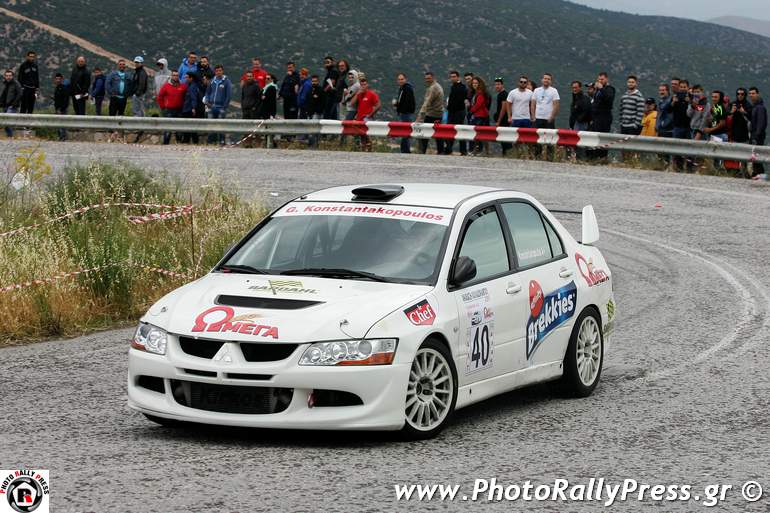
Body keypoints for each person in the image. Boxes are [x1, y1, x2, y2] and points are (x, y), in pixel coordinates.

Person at [530, 73, 560, 160]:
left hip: (548, 119)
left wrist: (552, 116)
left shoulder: (554, 91)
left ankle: (549, 158)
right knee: (537, 139)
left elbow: (556, 105)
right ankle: (537, 157)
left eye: (548, 79)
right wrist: (533, 116)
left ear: (551, 81)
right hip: (537, 118)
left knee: (550, 140)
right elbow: (533, 104)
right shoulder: (536, 90)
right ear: (542, 80)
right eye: (545, 78)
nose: (546, 80)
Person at [417, 71, 445, 154]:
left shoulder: (433, 88)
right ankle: (441, 151)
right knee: (438, 134)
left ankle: (422, 152)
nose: (427, 80)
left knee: (424, 134)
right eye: (426, 78)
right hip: (438, 115)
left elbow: (427, 103)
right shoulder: (437, 86)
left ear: (433, 78)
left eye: (429, 78)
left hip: (431, 115)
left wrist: (420, 116)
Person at [157, 70, 187, 144]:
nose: (175, 77)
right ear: (171, 76)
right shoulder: (166, 86)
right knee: (168, 128)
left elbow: (186, 97)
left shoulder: (183, 86)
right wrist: (163, 107)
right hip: (169, 110)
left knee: (179, 128)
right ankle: (166, 143)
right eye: (174, 75)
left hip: (179, 110)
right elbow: (160, 97)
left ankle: (179, 142)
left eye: (177, 75)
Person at [204, 65, 232, 145]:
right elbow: (207, 92)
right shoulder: (212, 81)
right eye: (217, 71)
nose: (218, 72)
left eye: (220, 70)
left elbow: (228, 95)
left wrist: (224, 107)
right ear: (215, 72)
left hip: (221, 107)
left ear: (222, 71)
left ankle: (221, 141)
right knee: (211, 125)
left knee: (221, 125)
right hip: (211, 107)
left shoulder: (226, 81)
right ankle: (211, 141)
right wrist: (207, 101)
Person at [351, 77, 380, 150]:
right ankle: (364, 149)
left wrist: (370, 115)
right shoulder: (359, 94)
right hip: (359, 118)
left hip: (366, 118)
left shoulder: (371, 94)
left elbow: (378, 105)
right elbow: (352, 103)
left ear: (367, 85)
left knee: (364, 135)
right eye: (362, 85)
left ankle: (369, 146)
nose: (363, 86)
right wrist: (357, 94)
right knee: (362, 136)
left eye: (365, 84)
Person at [445, 70, 468, 156]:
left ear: (458, 77)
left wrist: (449, 107)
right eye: (451, 77)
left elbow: (459, 101)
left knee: (456, 131)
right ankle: (450, 149)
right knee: (452, 131)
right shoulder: (454, 86)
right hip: (453, 112)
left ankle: (461, 150)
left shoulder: (461, 87)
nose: (452, 78)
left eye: (454, 76)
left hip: (458, 112)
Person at [394, 72, 416, 154]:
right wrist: (397, 105)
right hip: (403, 113)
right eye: (399, 79)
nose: (400, 81)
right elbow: (402, 101)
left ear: (405, 79)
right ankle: (405, 150)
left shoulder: (407, 88)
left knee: (405, 131)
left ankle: (405, 150)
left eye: (402, 79)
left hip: (406, 114)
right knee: (405, 131)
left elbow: (408, 102)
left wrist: (402, 109)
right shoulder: (402, 88)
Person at [468, 76, 490, 155]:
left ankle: (481, 150)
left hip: (480, 116)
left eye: (476, 83)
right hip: (478, 115)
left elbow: (478, 105)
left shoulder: (480, 93)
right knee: (480, 134)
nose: (474, 84)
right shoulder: (476, 93)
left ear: (479, 84)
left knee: (479, 134)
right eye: (473, 83)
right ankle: (483, 151)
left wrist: (471, 111)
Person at [748, 87, 767, 178]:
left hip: (757, 137)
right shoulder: (755, 106)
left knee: (757, 158)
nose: (751, 95)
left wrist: (756, 136)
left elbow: (760, 123)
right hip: (755, 136)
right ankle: (757, 175)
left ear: (757, 94)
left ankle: (760, 176)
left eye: (753, 93)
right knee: (756, 159)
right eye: (750, 93)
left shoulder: (759, 108)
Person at [0, 70, 22, 138]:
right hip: (5, 106)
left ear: (12, 76)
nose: (8, 77)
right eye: (7, 75)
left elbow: (20, 94)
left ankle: (10, 136)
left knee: (7, 121)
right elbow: (3, 95)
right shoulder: (4, 83)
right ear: (5, 76)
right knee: (5, 122)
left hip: (12, 106)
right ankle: (9, 136)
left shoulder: (16, 83)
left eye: (10, 75)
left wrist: (14, 104)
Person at [493, 77, 511, 155]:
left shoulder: (504, 94)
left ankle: (507, 153)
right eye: (496, 84)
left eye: (498, 84)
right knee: (503, 138)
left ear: (502, 85)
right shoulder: (500, 94)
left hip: (504, 120)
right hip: (502, 120)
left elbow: (503, 108)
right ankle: (505, 153)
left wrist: (498, 121)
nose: (497, 86)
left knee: (505, 138)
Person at [181, 71, 201, 144]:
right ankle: (193, 141)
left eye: (187, 77)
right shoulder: (190, 85)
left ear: (191, 78)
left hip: (189, 109)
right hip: (187, 108)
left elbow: (193, 98)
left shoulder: (192, 87)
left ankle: (188, 140)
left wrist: (193, 108)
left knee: (189, 125)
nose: (186, 78)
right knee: (191, 125)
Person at [306, 74, 324, 147]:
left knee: (315, 129)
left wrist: (318, 111)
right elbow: (308, 101)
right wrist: (307, 111)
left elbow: (323, 102)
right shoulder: (310, 90)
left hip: (317, 113)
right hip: (310, 113)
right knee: (310, 129)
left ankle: (315, 144)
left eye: (315, 81)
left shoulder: (320, 90)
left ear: (318, 81)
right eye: (313, 81)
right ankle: (311, 144)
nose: (314, 83)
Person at [52, 73, 69, 140]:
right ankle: (60, 136)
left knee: (62, 123)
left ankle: (63, 136)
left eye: (59, 79)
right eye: (56, 79)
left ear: (62, 79)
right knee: (58, 123)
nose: (58, 80)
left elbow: (66, 100)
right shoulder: (57, 88)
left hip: (62, 109)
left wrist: (61, 108)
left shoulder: (64, 88)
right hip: (57, 108)